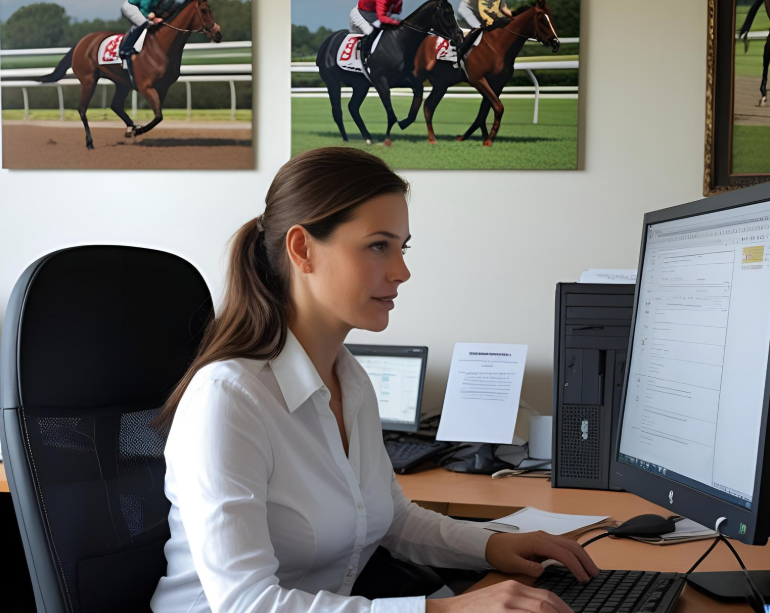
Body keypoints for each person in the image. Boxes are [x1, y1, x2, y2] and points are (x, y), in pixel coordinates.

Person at [150, 146, 598, 613]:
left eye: (401, 247)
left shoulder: (351, 379)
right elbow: (246, 603)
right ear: (302, 249)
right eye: (378, 245)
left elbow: (390, 519)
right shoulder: (228, 399)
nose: (402, 271)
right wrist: (443, 611)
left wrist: (493, 545)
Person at [119, 0, 179, 84]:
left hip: (139, 7)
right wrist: (154, 18)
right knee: (142, 22)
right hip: (130, 6)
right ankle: (125, 49)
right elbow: (144, 11)